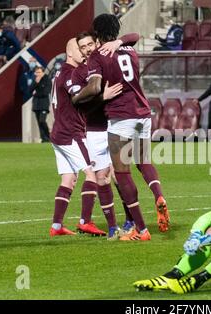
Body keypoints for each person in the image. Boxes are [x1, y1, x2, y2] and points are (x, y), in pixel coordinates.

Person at [72, 14, 171, 240]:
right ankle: (158, 195)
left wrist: (77, 97)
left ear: (96, 32)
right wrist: (120, 41)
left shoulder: (99, 56)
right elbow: (135, 36)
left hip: (121, 116)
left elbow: (95, 86)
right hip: (143, 114)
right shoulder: (129, 50)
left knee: (122, 172)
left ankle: (142, 230)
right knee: (143, 160)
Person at [49, 38, 122, 236]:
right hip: (72, 133)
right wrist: (102, 97)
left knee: (69, 178)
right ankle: (86, 221)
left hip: (58, 132)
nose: (83, 53)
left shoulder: (58, 73)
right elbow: (80, 98)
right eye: (78, 50)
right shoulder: (69, 74)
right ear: (69, 53)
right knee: (91, 173)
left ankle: (56, 226)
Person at [74, 31, 140, 240]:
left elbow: (134, 36)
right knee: (102, 178)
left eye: (89, 44)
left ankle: (131, 220)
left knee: (121, 176)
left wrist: (118, 41)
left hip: (116, 125)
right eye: (82, 46)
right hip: (94, 130)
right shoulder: (78, 74)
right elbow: (80, 107)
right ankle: (112, 227)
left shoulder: (108, 61)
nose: (87, 49)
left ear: (96, 42)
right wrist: (103, 97)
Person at [30, 66, 51, 142]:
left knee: (42, 120)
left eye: (39, 72)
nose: (37, 74)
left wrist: (36, 93)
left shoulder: (47, 79)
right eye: (36, 72)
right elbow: (30, 89)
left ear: (43, 72)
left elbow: (46, 92)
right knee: (39, 122)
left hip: (44, 104)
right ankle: (43, 138)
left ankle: (48, 135)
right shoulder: (35, 80)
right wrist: (36, 83)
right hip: (36, 104)